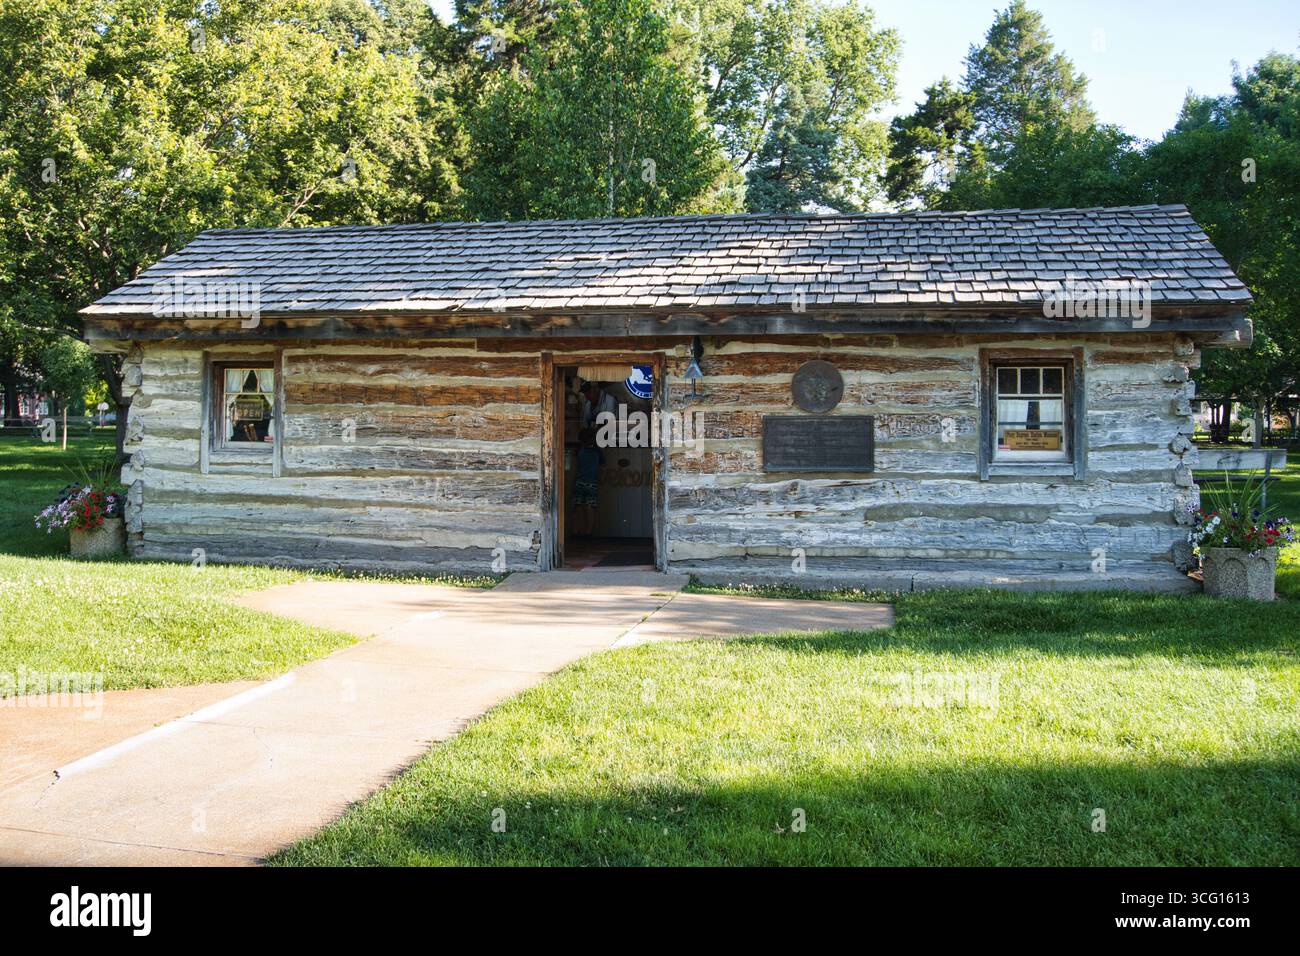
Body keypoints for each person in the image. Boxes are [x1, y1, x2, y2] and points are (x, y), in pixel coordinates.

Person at [573, 427, 602, 536]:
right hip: (592, 482)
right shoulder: (597, 452)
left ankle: (576, 530)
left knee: (577, 506)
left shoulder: (579, 451)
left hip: (579, 481)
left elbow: (575, 466)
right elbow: (603, 464)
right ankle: (588, 532)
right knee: (590, 507)